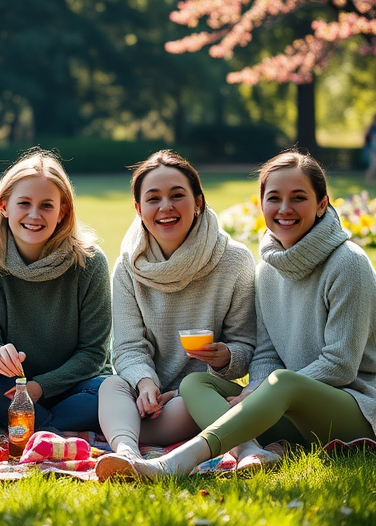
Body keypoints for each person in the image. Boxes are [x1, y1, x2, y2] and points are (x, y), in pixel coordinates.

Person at [104, 150, 376, 479]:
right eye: (274, 198)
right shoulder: (269, 269)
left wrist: (263, 389)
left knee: (284, 381)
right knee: (195, 383)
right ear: (262, 205)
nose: (285, 209)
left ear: (321, 204)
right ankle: (251, 450)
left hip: (359, 412)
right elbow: (267, 352)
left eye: (298, 198)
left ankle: (175, 463)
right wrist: (256, 388)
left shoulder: (348, 263)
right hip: (292, 408)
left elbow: (340, 364)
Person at [94, 150, 256, 480]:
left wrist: (225, 356)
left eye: (177, 195)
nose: (165, 207)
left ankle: (125, 435)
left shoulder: (234, 261)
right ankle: (126, 453)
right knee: (110, 386)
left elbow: (248, 347)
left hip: (199, 396)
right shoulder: (128, 266)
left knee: (194, 398)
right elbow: (126, 347)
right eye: (153, 199)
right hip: (146, 400)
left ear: (198, 201)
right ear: (139, 210)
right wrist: (145, 384)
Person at [0, 150, 111, 434]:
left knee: (108, 392)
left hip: (75, 385)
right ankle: (58, 432)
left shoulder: (90, 262)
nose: (35, 215)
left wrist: (40, 387)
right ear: (4, 206)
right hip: (13, 387)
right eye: (24, 203)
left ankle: (28, 429)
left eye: (47, 205)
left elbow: (94, 353)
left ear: (62, 212)